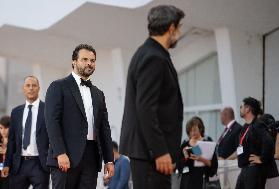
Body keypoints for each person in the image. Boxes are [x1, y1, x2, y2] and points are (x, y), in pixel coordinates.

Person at [119, 5, 185, 189]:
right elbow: (146, 109)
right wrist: (160, 151)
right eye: (179, 28)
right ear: (171, 28)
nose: (179, 33)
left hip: (148, 153)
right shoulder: (154, 57)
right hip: (152, 156)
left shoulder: (147, 53)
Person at [45, 44, 114, 189]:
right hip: (65, 155)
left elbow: (104, 128)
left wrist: (109, 160)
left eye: (93, 60)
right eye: (84, 59)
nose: (89, 63)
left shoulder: (98, 94)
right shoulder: (58, 86)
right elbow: (52, 122)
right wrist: (60, 153)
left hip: (91, 157)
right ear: (74, 62)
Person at [2, 76, 50, 189]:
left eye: (34, 85)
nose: (31, 88)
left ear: (39, 88)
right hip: (19, 164)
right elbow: (12, 141)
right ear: (23, 89)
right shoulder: (16, 112)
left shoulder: (47, 109)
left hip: (40, 164)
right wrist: (7, 164)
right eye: (28, 85)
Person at [235, 97, 274, 189]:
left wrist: (262, 159)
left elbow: (269, 142)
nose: (240, 109)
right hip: (245, 169)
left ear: (248, 108)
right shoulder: (245, 126)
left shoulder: (258, 124)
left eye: (241, 106)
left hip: (254, 169)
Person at [176, 116, 218, 189]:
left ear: (200, 129)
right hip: (187, 182)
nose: (192, 133)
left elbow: (214, 166)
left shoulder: (207, 143)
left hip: (202, 181)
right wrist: (186, 157)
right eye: (190, 130)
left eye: (194, 130)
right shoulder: (185, 145)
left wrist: (201, 159)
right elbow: (179, 166)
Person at [0, 116, 10, 188]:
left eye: (6, 128)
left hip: (10, 175)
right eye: (1, 128)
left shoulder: (16, 141)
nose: (3, 131)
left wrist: (6, 151)